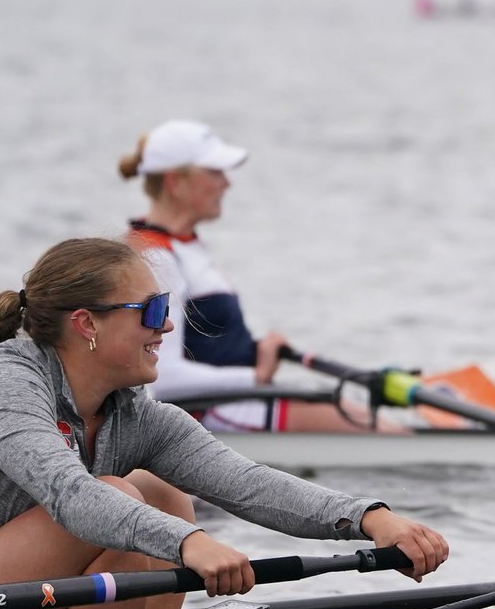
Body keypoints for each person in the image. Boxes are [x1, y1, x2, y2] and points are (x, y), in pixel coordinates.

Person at [0, 237, 448, 609]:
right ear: (86, 323)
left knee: (161, 495)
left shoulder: (134, 415)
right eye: (152, 310)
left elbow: (246, 484)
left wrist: (371, 518)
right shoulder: (2, 381)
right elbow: (70, 497)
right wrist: (191, 544)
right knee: (119, 495)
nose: (166, 326)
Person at [118, 119, 389, 435]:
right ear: (175, 183)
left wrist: (259, 351)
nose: (227, 184)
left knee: (371, 420)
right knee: (376, 428)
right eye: (215, 172)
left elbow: (211, 343)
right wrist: (256, 376)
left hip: (235, 400)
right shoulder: (155, 258)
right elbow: (162, 378)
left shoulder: (182, 246)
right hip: (207, 415)